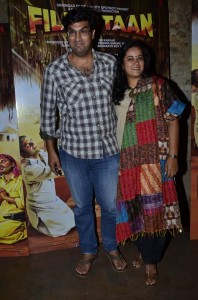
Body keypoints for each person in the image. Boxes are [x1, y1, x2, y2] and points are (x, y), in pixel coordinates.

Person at [40, 6, 127, 277]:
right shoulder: (54, 70)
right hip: (74, 153)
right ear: (67, 36)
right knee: (82, 207)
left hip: (108, 151)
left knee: (111, 206)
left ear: (93, 34)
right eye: (72, 33)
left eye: (83, 32)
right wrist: (51, 151)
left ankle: (112, 247)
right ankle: (88, 249)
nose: (77, 39)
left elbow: (124, 101)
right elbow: (46, 115)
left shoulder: (111, 64)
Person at [113, 40, 185, 286]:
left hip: (156, 162)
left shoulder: (158, 86)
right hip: (126, 163)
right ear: (122, 64)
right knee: (134, 210)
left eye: (140, 57)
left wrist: (173, 157)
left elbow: (174, 119)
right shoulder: (116, 91)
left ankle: (151, 261)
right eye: (130, 58)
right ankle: (145, 251)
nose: (136, 62)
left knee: (157, 212)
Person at [19, 135, 75, 237]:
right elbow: (55, 170)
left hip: (53, 201)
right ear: (22, 153)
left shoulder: (40, 154)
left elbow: (50, 156)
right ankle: (38, 224)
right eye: (27, 145)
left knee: (72, 222)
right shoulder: (28, 169)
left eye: (31, 141)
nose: (32, 144)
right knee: (62, 229)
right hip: (41, 207)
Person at [0, 153, 27, 244]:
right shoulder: (0, 181)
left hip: (14, 220)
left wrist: (5, 197)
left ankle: (21, 230)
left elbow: (24, 204)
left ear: (12, 164)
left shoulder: (20, 180)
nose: (0, 164)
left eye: (3, 161)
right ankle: (14, 234)